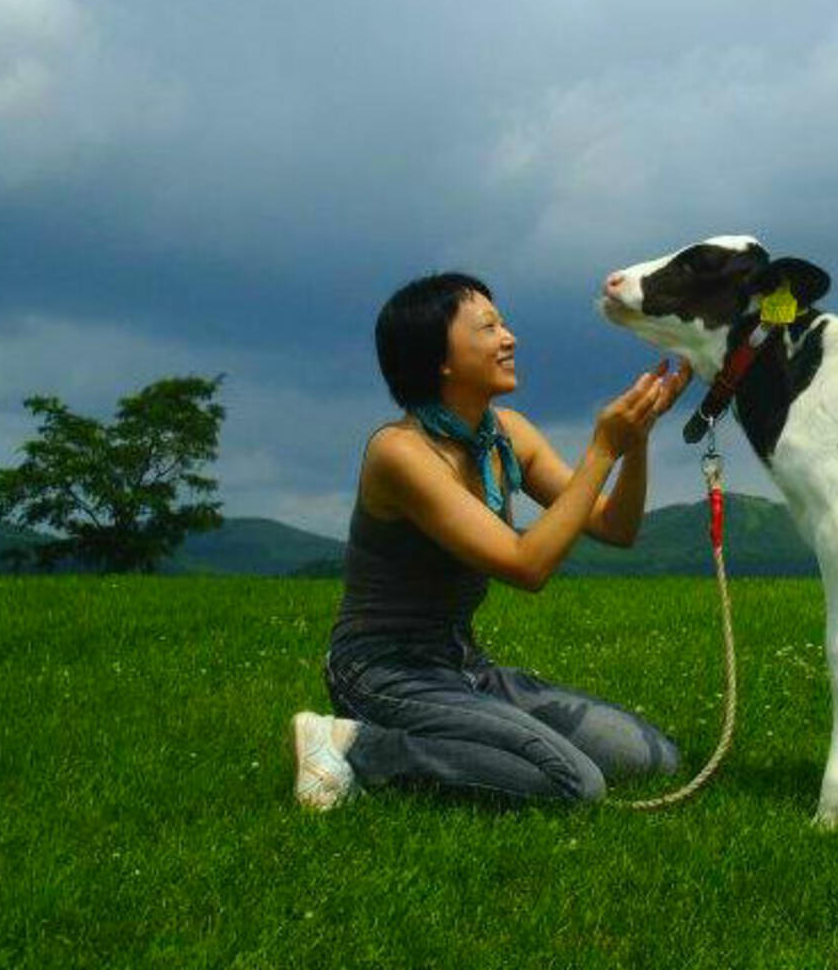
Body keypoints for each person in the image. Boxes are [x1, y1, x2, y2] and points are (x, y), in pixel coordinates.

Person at [291, 271, 693, 809]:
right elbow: (526, 565)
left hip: (462, 665)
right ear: (441, 359)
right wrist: (601, 449)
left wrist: (635, 443)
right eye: (488, 327)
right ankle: (356, 743)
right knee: (575, 783)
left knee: (653, 759)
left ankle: (463, 731)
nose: (510, 338)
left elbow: (615, 528)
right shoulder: (401, 453)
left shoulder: (508, 435)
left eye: (503, 324)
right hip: (383, 671)